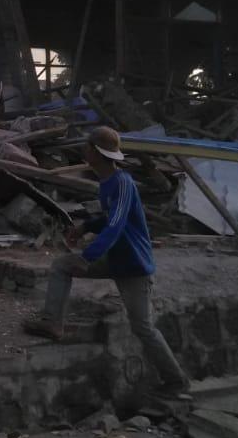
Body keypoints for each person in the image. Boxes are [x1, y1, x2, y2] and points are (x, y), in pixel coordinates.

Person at [23, 126, 190, 399]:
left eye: (87, 146)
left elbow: (115, 225)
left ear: (96, 152)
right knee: (61, 266)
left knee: (143, 327)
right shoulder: (107, 183)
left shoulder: (123, 183)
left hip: (134, 265)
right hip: (115, 258)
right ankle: (52, 322)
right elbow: (108, 219)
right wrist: (85, 227)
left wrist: (88, 256)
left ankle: (177, 382)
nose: (83, 150)